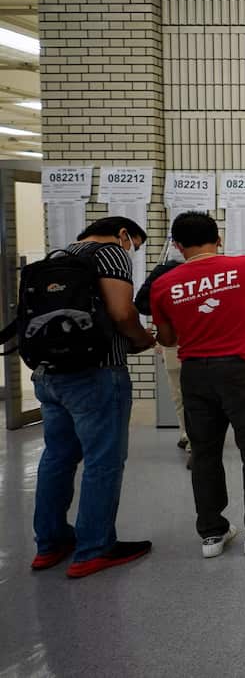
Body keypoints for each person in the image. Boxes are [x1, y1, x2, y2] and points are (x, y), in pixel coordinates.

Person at [150, 211, 245, 558]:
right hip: (243, 369)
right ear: (219, 239)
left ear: (177, 245)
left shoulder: (163, 284)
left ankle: (212, 535)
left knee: (204, 453)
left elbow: (168, 339)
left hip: (196, 373)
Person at [30, 216, 155, 578]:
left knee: (57, 457)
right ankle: (95, 548)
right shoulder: (111, 254)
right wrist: (141, 339)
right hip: (96, 373)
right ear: (123, 234)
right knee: (104, 460)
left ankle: (50, 544)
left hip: (50, 375)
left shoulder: (58, 257)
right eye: (134, 243)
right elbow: (120, 311)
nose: (131, 251)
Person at [135, 256, 190, 468]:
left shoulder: (163, 271)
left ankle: (187, 433)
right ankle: (193, 437)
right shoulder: (203, 271)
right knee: (195, 392)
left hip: (172, 339)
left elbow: (141, 304)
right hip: (199, 339)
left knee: (178, 391)